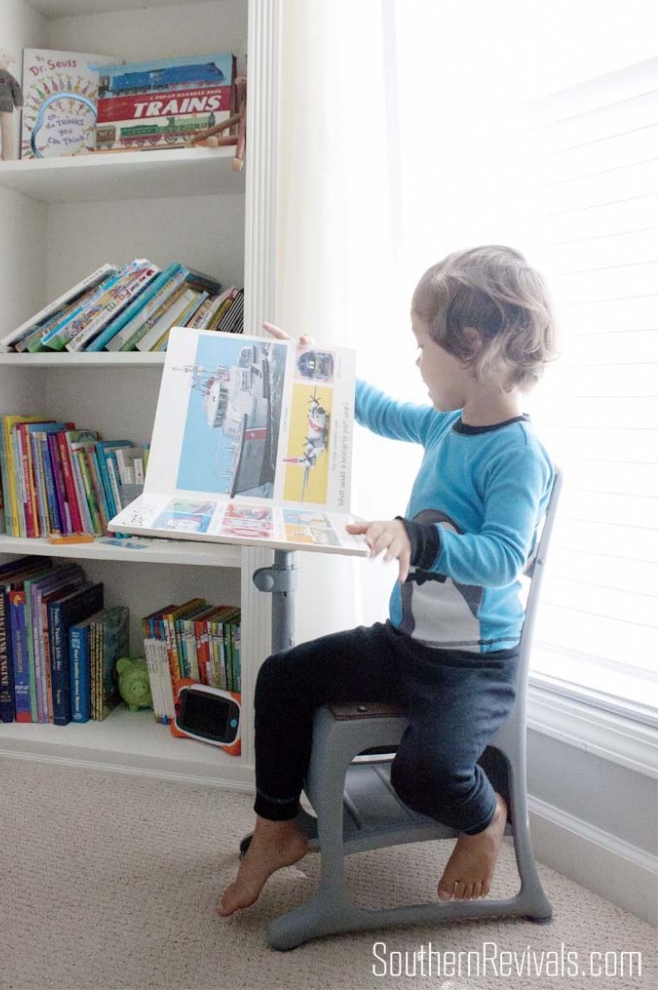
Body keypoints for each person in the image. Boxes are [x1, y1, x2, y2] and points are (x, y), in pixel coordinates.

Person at [217, 245, 557, 917]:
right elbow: (374, 411)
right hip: (405, 644)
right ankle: (279, 824)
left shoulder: (519, 455)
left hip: (472, 667)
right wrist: (315, 371)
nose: (417, 360)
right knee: (283, 675)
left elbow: (502, 556)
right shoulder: (445, 426)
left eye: (421, 345)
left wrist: (416, 535)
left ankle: (485, 817)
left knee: (423, 772)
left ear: (472, 345)